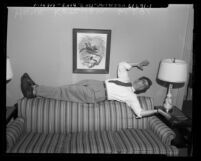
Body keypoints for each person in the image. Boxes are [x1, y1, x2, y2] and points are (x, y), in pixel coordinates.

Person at [21, 60, 168, 119]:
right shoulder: (126, 79)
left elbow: (140, 112)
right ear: (138, 79)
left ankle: (33, 91)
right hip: (96, 83)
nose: (141, 84)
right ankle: (36, 89)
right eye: (142, 80)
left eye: (144, 85)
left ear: (143, 90)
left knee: (63, 93)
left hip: (96, 95)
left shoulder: (132, 97)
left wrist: (156, 110)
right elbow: (122, 64)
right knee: (65, 89)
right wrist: (136, 64)